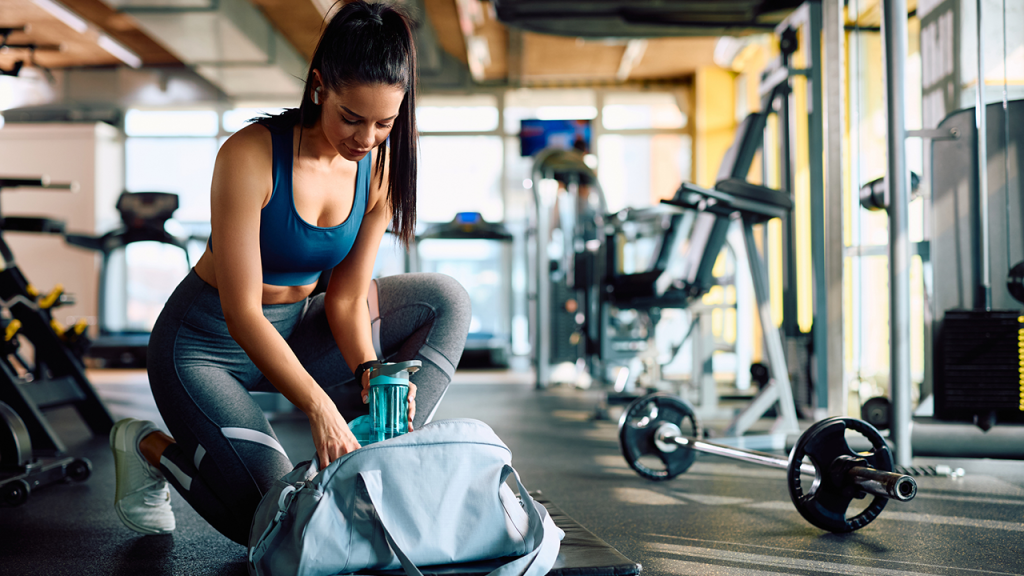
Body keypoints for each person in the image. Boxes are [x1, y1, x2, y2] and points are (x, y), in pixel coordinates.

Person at [108, 0, 471, 545]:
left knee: (445, 299)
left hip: (296, 332)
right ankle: (147, 448)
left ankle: (389, 452)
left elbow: (348, 300)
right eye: (351, 117)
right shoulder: (249, 155)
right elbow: (242, 312)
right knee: (275, 525)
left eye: (384, 123)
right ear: (321, 86)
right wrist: (320, 406)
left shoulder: (379, 168)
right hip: (205, 349)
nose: (366, 138)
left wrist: (373, 374)